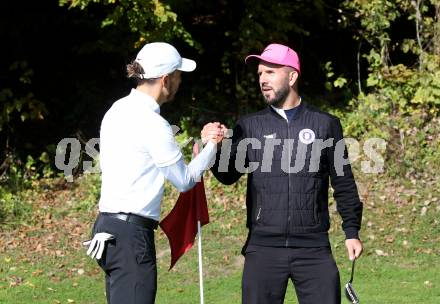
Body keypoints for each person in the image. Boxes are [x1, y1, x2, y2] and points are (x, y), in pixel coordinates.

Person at [211, 43, 363, 304]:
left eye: (270, 72)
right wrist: (215, 148)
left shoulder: (326, 124)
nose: (262, 80)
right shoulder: (249, 126)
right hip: (263, 248)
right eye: (260, 74)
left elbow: (344, 183)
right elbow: (227, 175)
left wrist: (351, 231)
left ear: (292, 76)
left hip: (313, 248)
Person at [87, 42, 224, 304]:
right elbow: (183, 181)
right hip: (130, 236)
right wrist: (211, 147)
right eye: (179, 76)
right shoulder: (153, 123)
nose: (180, 82)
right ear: (165, 79)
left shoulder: (115, 110)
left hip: (108, 227)